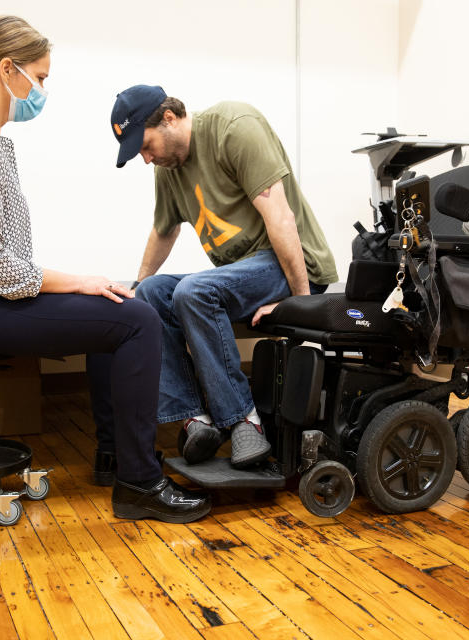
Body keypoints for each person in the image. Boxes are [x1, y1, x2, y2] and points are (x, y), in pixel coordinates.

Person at [0, 17, 209, 523]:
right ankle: (140, 483)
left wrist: (85, 285)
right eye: (39, 78)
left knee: (116, 306)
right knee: (138, 320)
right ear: (7, 70)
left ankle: (117, 459)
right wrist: (78, 280)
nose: (41, 90)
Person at [108, 85, 338, 469]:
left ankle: (245, 423)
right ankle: (195, 421)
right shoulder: (170, 168)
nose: (146, 160)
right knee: (152, 294)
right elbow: (164, 230)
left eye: (146, 147)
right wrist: (135, 287)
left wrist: (303, 305)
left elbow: (279, 217)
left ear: (168, 118)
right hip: (243, 274)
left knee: (194, 291)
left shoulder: (235, 127)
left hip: (292, 265)